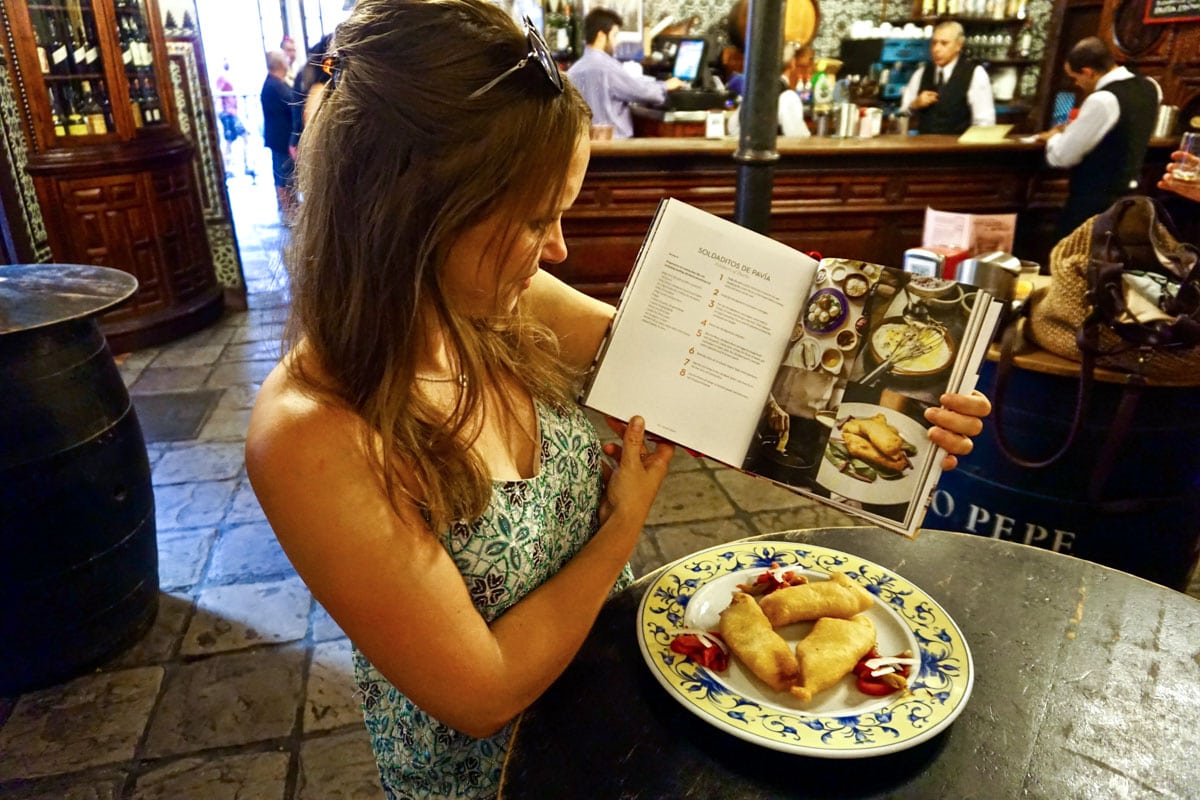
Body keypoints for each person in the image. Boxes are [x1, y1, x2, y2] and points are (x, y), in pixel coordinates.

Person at [244, 2, 991, 798]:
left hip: (620, 715)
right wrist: (621, 525)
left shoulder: (495, 296)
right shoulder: (310, 433)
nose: (558, 250)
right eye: (537, 220)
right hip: (505, 778)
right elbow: (482, 693)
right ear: (414, 214)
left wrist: (908, 414)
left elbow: (719, 379)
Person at [1034, 37, 1160, 239]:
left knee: (1070, 264)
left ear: (1088, 72)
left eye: (1076, 78)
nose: (1077, 84)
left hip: (1093, 204)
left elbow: (1062, 157)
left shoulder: (1102, 99)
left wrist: (1053, 137)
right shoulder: (1150, 87)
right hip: (1129, 200)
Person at [566, 8, 683, 139]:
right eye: (614, 35)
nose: (617, 42)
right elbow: (641, 91)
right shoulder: (607, 67)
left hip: (586, 149)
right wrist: (666, 86)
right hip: (616, 148)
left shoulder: (573, 71)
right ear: (601, 36)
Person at [720, 0, 809, 137]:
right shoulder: (788, 99)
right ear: (793, 64)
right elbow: (799, 141)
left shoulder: (751, 98)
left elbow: (733, 128)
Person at [900, 21, 995, 135]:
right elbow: (903, 114)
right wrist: (914, 105)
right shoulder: (921, 73)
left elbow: (985, 124)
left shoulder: (975, 74)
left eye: (944, 43)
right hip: (924, 148)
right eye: (934, 43)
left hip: (958, 149)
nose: (936, 49)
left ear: (958, 45)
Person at [260, 49, 296, 218]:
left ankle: (292, 210)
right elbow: (291, 105)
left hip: (282, 138)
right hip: (282, 139)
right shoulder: (275, 86)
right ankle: (289, 212)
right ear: (281, 64)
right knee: (284, 177)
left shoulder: (276, 83)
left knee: (288, 175)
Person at [214, 60, 243, 163]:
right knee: (229, 139)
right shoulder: (222, 77)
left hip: (231, 111)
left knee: (240, 135)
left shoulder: (228, 76)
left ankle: (242, 163)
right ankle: (227, 164)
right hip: (227, 112)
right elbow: (218, 93)